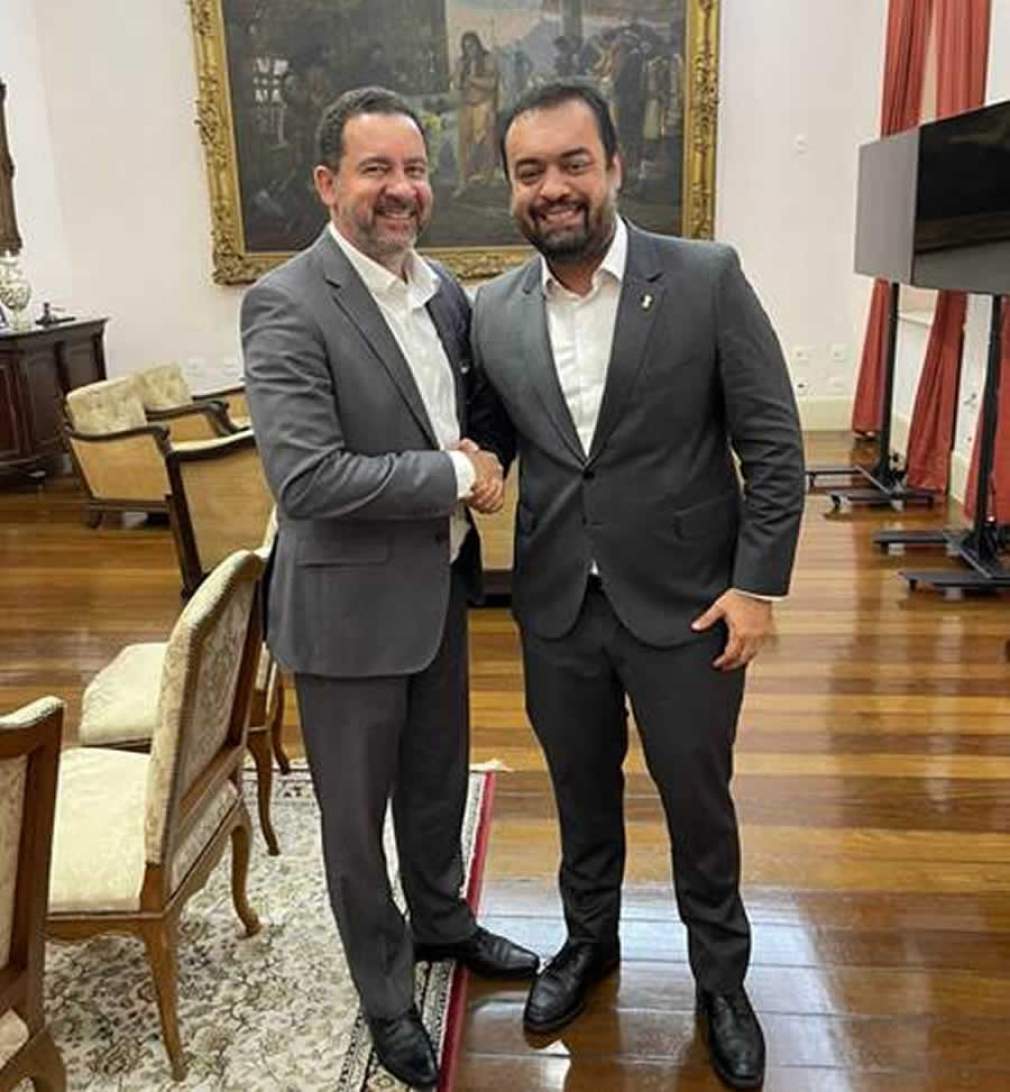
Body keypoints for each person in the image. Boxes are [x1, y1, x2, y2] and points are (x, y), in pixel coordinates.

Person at [469, 80, 805, 1090]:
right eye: (530, 171)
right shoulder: (494, 308)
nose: (553, 187)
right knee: (579, 791)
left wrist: (757, 587)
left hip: (689, 605)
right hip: (555, 605)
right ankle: (589, 943)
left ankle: (721, 981)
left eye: (573, 163)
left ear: (615, 167)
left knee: (697, 801)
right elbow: (497, 429)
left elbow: (773, 443)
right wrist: (477, 459)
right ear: (510, 187)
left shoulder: (704, 277)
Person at [241, 86, 538, 1091]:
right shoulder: (285, 303)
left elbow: (475, 416)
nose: (400, 189)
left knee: (435, 779)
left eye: (414, 169)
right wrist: (455, 474)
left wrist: (487, 461)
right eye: (376, 170)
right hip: (344, 612)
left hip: (439, 587)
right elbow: (306, 478)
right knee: (355, 822)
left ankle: (443, 920)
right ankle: (383, 989)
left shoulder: (443, 290)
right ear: (328, 183)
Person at [452, 31, 499, 194]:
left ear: (478, 45)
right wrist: (460, 78)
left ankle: (488, 178)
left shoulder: (488, 60)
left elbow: (492, 84)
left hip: (484, 105)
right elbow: (456, 83)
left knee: (487, 144)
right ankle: (463, 180)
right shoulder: (461, 62)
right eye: (466, 47)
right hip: (466, 106)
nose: (469, 50)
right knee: (464, 145)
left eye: (472, 46)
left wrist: (473, 80)